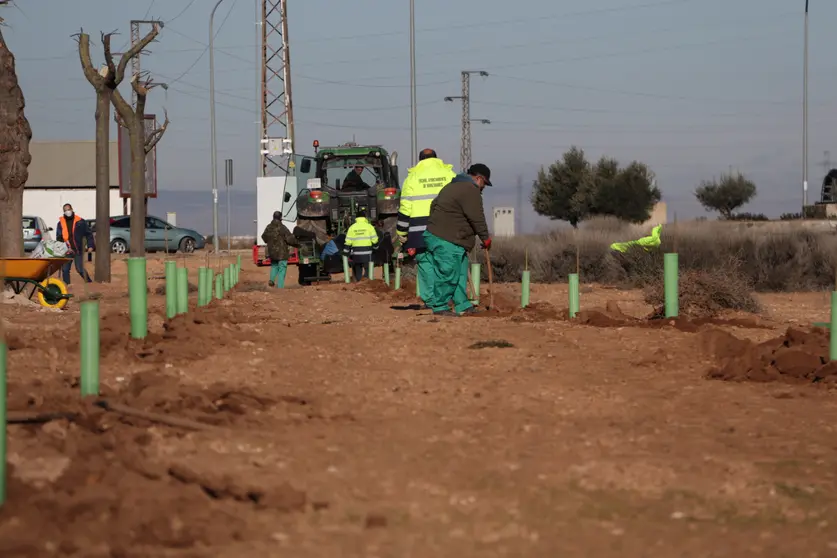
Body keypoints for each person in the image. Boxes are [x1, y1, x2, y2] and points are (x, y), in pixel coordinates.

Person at [423, 164, 492, 317]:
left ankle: (462, 304)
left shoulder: (451, 186)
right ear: (479, 179)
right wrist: (485, 238)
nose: (483, 188)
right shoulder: (470, 189)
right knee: (448, 273)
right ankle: (440, 306)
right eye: (484, 184)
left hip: (445, 237)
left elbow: (434, 205)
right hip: (447, 239)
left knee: (460, 273)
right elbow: (477, 217)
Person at [396, 148, 456, 308]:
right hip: (445, 228)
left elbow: (405, 208)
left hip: (419, 232)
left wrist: (402, 233)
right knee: (445, 264)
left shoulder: (412, 178)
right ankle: (446, 298)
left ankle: (430, 300)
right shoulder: (449, 174)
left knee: (426, 265)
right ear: (436, 158)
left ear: (420, 160)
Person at [55, 203, 94, 285]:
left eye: (68, 209)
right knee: (65, 269)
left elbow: (88, 234)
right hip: (67, 250)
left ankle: (90, 283)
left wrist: (90, 245)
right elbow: (59, 238)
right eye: (65, 210)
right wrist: (64, 247)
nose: (67, 212)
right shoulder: (60, 223)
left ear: (72, 209)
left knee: (79, 269)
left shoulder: (80, 221)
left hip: (78, 249)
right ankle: (67, 286)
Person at [261, 210, 300, 288]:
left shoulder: (269, 227)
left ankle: (272, 279)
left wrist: (270, 241)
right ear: (280, 218)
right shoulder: (282, 227)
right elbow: (289, 239)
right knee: (282, 268)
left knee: (274, 266)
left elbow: (264, 237)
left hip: (272, 252)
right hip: (282, 253)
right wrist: (298, 244)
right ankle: (280, 287)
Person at [343, 214, 379, 282]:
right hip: (368, 255)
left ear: (356, 218)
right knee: (368, 270)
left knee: (358, 269)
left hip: (356, 255)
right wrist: (376, 248)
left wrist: (345, 252)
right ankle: (367, 282)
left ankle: (359, 283)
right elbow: (375, 240)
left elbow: (348, 242)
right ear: (365, 218)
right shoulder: (370, 227)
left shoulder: (352, 227)